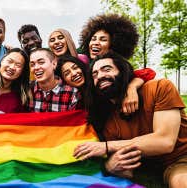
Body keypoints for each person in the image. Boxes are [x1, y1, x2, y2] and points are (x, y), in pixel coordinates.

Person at [73, 51, 187, 187]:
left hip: (179, 160)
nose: (100, 76)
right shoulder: (106, 118)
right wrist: (109, 165)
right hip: (143, 166)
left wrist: (106, 147)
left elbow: (165, 141)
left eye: (107, 69)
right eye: (95, 74)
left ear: (122, 72)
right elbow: (119, 159)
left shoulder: (159, 87)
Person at [79, 13, 156, 115]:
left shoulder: (120, 66)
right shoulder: (85, 63)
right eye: (93, 39)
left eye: (103, 39)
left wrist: (132, 87)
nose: (95, 43)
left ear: (113, 44)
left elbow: (148, 72)